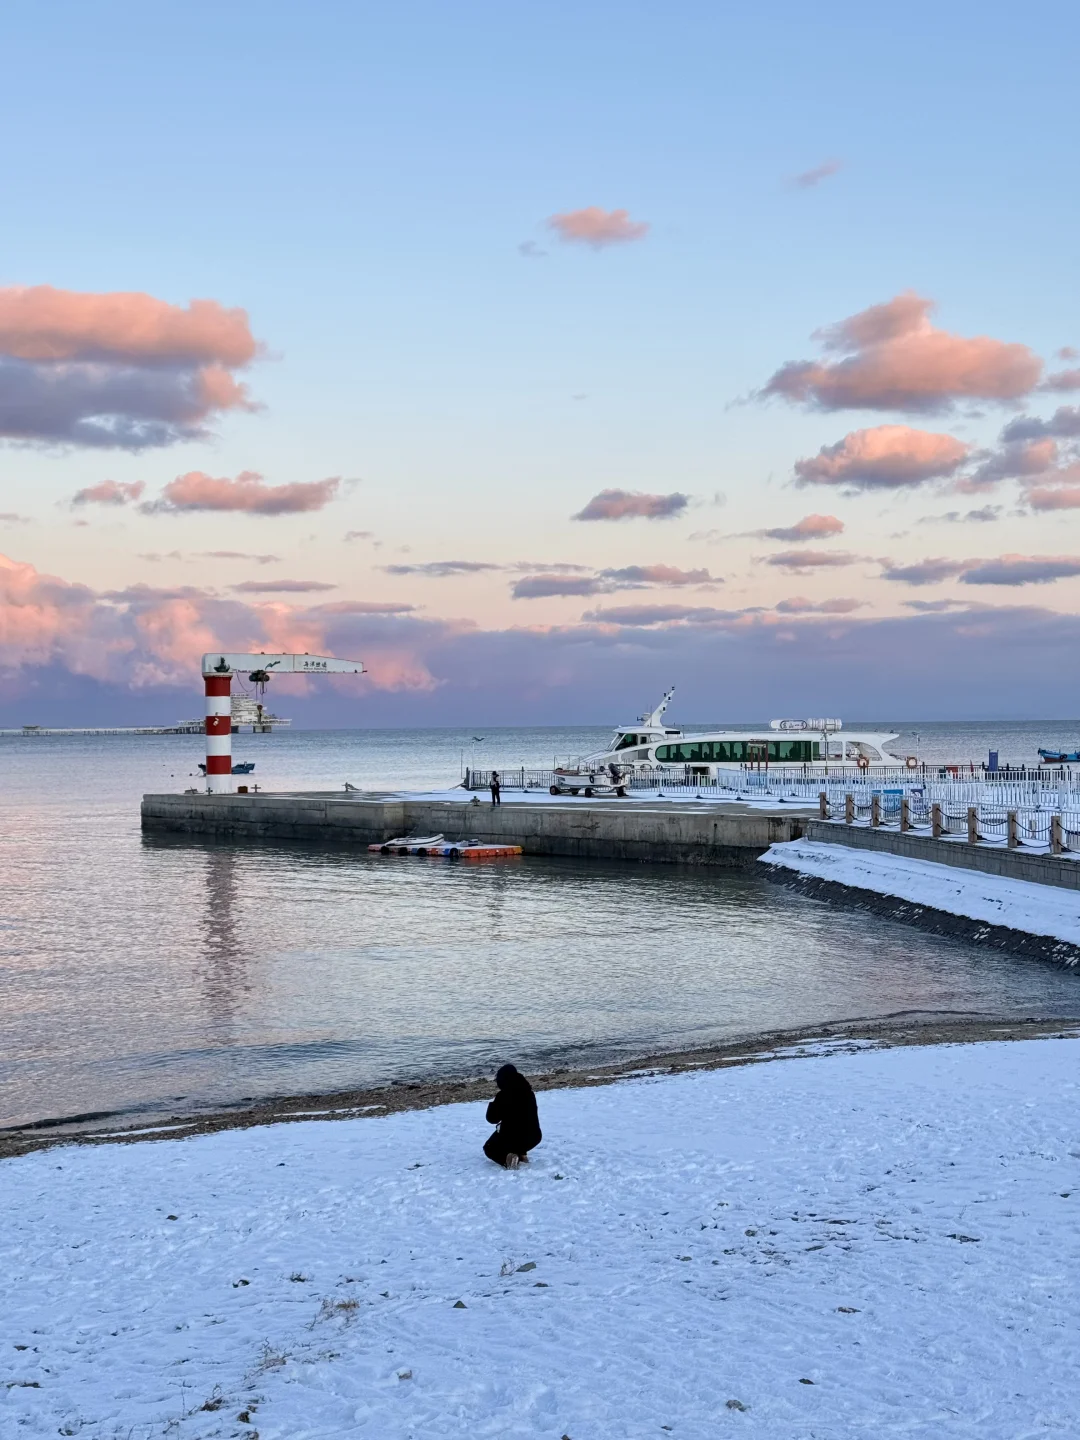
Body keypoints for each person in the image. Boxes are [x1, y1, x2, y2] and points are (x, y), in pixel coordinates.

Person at [483, 1064, 541, 1169]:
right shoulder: (529, 1093)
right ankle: (522, 1154)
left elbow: (492, 1119)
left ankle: (508, 1159)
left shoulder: (504, 1096)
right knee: (522, 1127)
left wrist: (492, 1105)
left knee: (489, 1148)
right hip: (535, 1136)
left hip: (515, 1137)